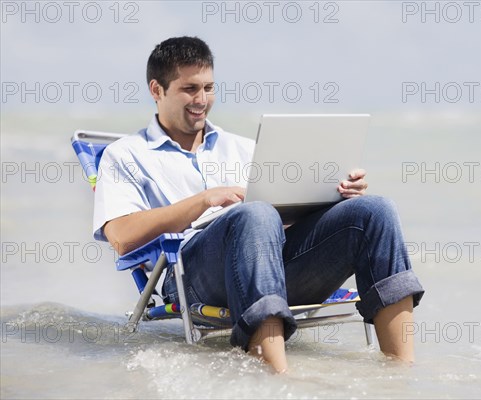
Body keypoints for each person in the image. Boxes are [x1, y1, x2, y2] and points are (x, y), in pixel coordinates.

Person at [93, 36, 424, 373]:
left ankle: (400, 376)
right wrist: (203, 201)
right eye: (190, 89)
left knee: (373, 212)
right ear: (156, 90)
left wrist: (335, 196)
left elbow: (281, 222)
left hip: (268, 264)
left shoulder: (243, 148)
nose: (202, 100)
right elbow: (121, 236)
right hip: (191, 275)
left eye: (209, 88)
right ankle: (279, 381)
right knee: (254, 212)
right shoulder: (125, 155)